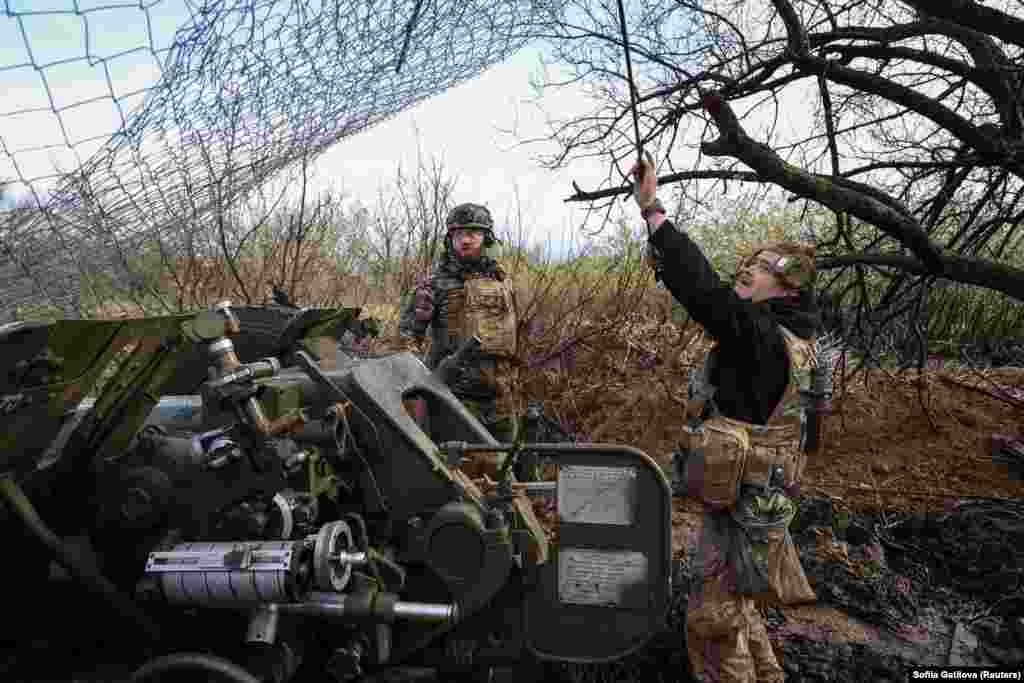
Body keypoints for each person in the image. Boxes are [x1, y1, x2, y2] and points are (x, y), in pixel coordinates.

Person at [630, 153, 822, 682]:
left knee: (713, 621)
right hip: (762, 501)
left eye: (760, 270)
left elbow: (705, 293)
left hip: (744, 503)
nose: (747, 272)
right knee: (741, 604)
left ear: (787, 289)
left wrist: (653, 211)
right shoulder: (800, 343)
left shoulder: (761, 337)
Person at [398, 202, 524, 474]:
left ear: (486, 238)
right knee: (464, 474)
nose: (465, 240)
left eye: (472, 233)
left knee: (510, 472)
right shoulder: (434, 283)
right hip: (456, 399)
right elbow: (407, 338)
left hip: (502, 396)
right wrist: (422, 384)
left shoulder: (503, 281)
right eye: (458, 234)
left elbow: (514, 336)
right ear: (449, 239)